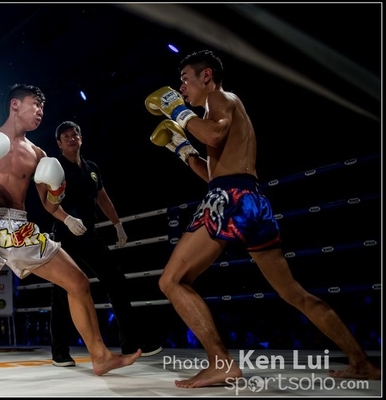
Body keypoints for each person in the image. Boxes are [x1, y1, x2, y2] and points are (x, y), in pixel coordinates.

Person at [145, 50, 381, 388]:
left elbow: (213, 137)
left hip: (230, 199)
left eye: (184, 80)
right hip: (250, 199)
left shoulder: (220, 99)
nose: (180, 88)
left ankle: (221, 363)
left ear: (206, 76)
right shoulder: (216, 112)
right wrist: (181, 149)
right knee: (294, 293)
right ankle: (361, 362)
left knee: (171, 281)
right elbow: (213, 174)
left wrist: (177, 110)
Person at [0, 84, 141, 389]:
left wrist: (58, 192)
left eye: (43, 106)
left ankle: (100, 356)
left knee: (78, 282)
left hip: (19, 227)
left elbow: (49, 204)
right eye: (36, 104)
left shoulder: (38, 153)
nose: (41, 111)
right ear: (15, 105)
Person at [48, 121, 163, 367]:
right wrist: (67, 220)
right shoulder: (55, 168)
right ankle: (59, 351)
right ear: (59, 143)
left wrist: (117, 224)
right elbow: (48, 202)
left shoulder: (91, 168)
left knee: (116, 281)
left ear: (81, 138)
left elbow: (102, 197)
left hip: (90, 234)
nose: (71, 138)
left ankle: (131, 342)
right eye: (66, 136)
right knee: (62, 291)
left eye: (75, 134)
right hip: (66, 234)